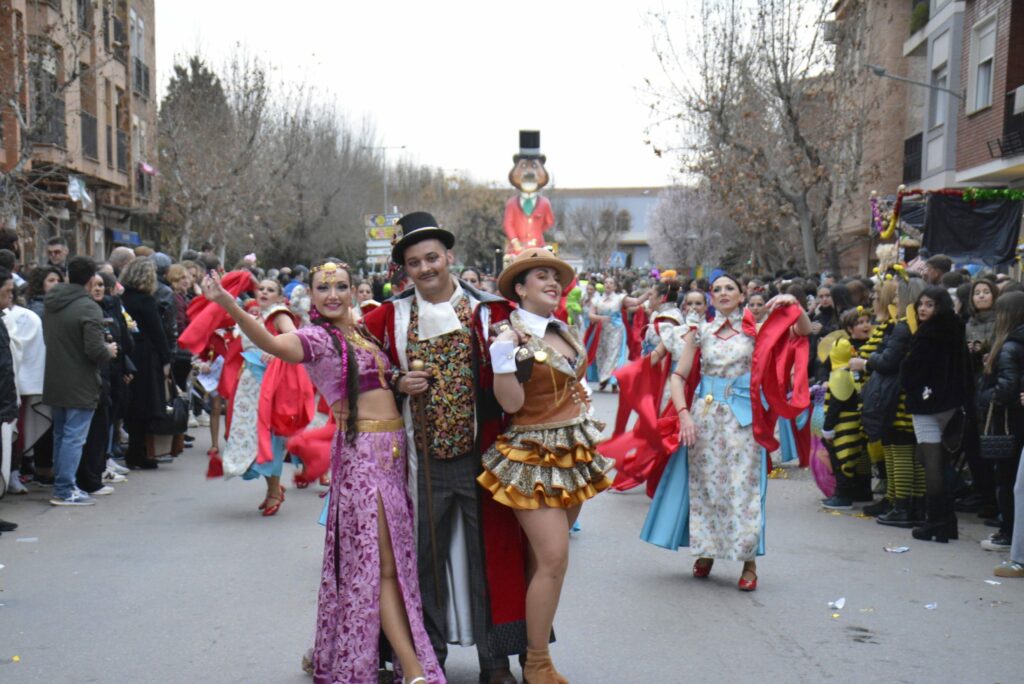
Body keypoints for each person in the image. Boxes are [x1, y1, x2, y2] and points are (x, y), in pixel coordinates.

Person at [202, 259, 442, 684]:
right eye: (323, 287)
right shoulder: (316, 339)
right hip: (363, 457)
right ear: (310, 295)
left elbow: (380, 382)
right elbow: (274, 344)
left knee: (394, 563)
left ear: (352, 290)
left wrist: (401, 382)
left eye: (341, 286)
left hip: (391, 453)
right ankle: (413, 670)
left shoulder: (362, 331)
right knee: (379, 566)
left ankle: (383, 659)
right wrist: (231, 307)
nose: (333, 294)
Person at [362, 211, 529, 684]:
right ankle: (424, 656)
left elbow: (528, 370)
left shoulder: (491, 312)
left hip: (482, 458)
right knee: (422, 563)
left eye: (432, 257)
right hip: (420, 464)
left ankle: (495, 663)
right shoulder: (385, 317)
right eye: (415, 262)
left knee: (490, 559)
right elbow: (359, 371)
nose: (426, 268)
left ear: (449, 257)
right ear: (405, 269)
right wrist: (396, 380)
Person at [477, 248, 613, 682]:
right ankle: (537, 663)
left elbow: (572, 383)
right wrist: (501, 360)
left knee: (543, 564)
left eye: (555, 277)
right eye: (541, 276)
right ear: (520, 288)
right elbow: (512, 404)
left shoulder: (562, 329)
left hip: (572, 451)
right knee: (554, 557)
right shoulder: (510, 334)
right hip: (531, 454)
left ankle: (533, 653)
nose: (553, 283)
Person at [642, 273, 811, 591]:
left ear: (741, 295)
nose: (722, 293)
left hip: (745, 421)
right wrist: (684, 416)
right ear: (710, 298)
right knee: (706, 488)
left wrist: (795, 306)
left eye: (729, 288)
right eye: (716, 289)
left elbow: (802, 332)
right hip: (705, 420)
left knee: (743, 490)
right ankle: (707, 550)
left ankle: (749, 563)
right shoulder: (699, 333)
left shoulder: (757, 331)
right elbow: (678, 377)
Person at [220, 277, 302, 515]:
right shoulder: (254, 316)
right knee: (253, 436)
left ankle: (274, 490)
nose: (265, 292)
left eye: (271, 290)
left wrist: (276, 351)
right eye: (261, 289)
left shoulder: (279, 314)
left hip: (270, 383)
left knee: (269, 437)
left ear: (279, 296)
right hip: (248, 386)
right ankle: (273, 488)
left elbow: (295, 339)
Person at [849, 277, 927, 525]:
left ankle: (903, 506)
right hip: (904, 396)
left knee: (901, 451)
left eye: (895, 297)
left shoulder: (903, 326)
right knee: (903, 452)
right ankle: (904, 503)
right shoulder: (909, 325)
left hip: (899, 399)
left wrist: (866, 363)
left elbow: (887, 360)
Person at [42, 257, 118, 505]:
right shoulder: (88, 307)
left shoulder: (51, 302)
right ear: (89, 279)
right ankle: (65, 489)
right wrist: (109, 351)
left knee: (61, 435)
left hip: (55, 377)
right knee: (74, 437)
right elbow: (95, 351)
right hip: (80, 381)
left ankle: (61, 485)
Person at [900, 287, 972, 542]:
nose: (922, 309)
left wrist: (908, 384)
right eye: (921, 304)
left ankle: (936, 522)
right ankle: (947, 522)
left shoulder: (927, 334)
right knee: (941, 462)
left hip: (927, 404)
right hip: (952, 404)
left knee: (932, 464)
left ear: (939, 306)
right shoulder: (956, 329)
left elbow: (911, 369)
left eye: (929, 305)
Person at [978, 291, 1024, 556]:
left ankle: (1008, 531)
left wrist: (983, 395)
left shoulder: (1008, 346)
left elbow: (1005, 389)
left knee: (1007, 479)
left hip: (1009, 422)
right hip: (1018, 420)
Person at [819, 307, 874, 509]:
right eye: (860, 322)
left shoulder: (841, 375)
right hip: (856, 416)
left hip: (845, 422)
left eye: (868, 321)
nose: (866, 325)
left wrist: (828, 427)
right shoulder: (847, 370)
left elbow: (836, 403)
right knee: (854, 455)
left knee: (842, 458)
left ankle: (844, 495)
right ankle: (861, 491)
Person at [120, 258, 171, 470]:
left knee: (132, 404)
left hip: (129, 352)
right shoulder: (147, 301)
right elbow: (157, 332)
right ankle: (138, 452)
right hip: (146, 355)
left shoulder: (122, 298)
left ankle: (135, 451)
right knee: (144, 404)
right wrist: (166, 358)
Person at [588, 275, 647, 391]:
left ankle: (613, 379)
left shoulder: (620, 298)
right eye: (606, 282)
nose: (608, 285)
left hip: (616, 330)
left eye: (611, 283)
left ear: (615, 286)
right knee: (601, 354)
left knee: (614, 354)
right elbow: (591, 315)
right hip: (601, 331)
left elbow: (636, 301)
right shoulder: (597, 300)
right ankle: (603, 378)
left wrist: (648, 294)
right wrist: (600, 318)